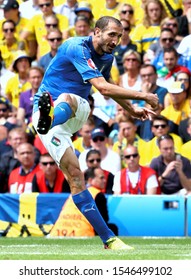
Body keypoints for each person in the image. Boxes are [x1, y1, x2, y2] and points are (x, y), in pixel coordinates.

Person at [32, 16, 158, 250]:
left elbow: (107, 86)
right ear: (96, 32)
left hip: (72, 111)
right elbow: (101, 87)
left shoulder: (107, 58)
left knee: (68, 99)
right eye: (112, 34)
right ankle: (109, 239)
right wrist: (143, 95)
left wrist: (131, 109)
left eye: (119, 36)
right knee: (76, 178)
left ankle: (48, 118)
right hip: (45, 114)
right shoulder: (76, 46)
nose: (116, 40)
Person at [49, 166, 118, 237]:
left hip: (57, 232)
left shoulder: (75, 192)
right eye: (101, 178)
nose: (105, 180)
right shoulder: (97, 194)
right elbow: (103, 221)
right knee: (112, 228)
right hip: (82, 233)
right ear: (90, 180)